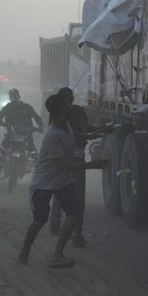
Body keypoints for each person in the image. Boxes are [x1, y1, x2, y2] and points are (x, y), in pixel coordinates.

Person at [16, 94, 107, 268]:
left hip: (63, 181)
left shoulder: (65, 125)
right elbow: (63, 164)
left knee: (74, 212)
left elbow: (75, 135)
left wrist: (94, 134)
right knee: (39, 220)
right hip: (43, 182)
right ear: (62, 109)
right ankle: (25, 250)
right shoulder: (53, 134)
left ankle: (57, 254)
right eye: (68, 103)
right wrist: (92, 164)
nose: (71, 105)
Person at [48, 87, 113, 247]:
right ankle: (77, 235)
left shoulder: (54, 114)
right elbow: (85, 128)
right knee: (78, 197)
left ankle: (55, 217)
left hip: (59, 157)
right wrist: (103, 129)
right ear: (71, 98)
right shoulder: (77, 110)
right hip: (76, 156)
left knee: (59, 188)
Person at [0, 88, 44, 171]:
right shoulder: (7, 107)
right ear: (9, 98)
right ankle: (2, 163)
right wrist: (5, 124)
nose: (13, 98)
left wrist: (41, 126)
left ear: (19, 96)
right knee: (4, 145)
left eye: (15, 96)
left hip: (26, 133)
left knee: (32, 149)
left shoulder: (27, 107)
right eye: (11, 97)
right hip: (12, 133)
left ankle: (35, 165)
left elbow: (36, 117)